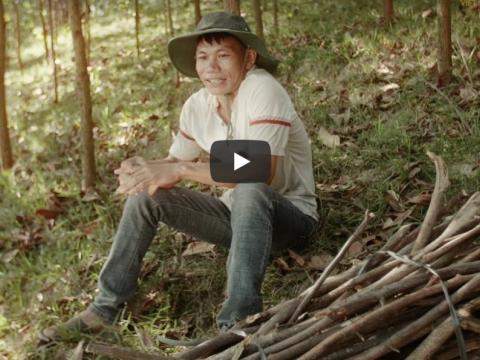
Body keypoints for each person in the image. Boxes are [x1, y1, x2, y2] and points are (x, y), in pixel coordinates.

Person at [39, 11, 318, 341]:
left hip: (292, 220)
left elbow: (260, 168)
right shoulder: (197, 105)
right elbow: (173, 161)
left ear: (249, 57)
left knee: (249, 188)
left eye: (223, 56)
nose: (211, 68)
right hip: (236, 222)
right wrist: (144, 170)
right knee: (148, 194)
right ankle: (104, 308)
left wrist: (182, 169)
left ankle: (238, 323)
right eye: (203, 57)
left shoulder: (263, 89)